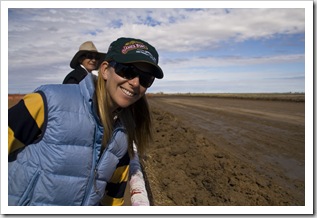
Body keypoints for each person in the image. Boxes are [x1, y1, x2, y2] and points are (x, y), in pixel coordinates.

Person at [8, 37, 164, 206]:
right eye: (127, 71)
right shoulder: (48, 102)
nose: (135, 83)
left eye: (145, 78)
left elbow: (114, 194)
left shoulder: (125, 132)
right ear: (105, 70)